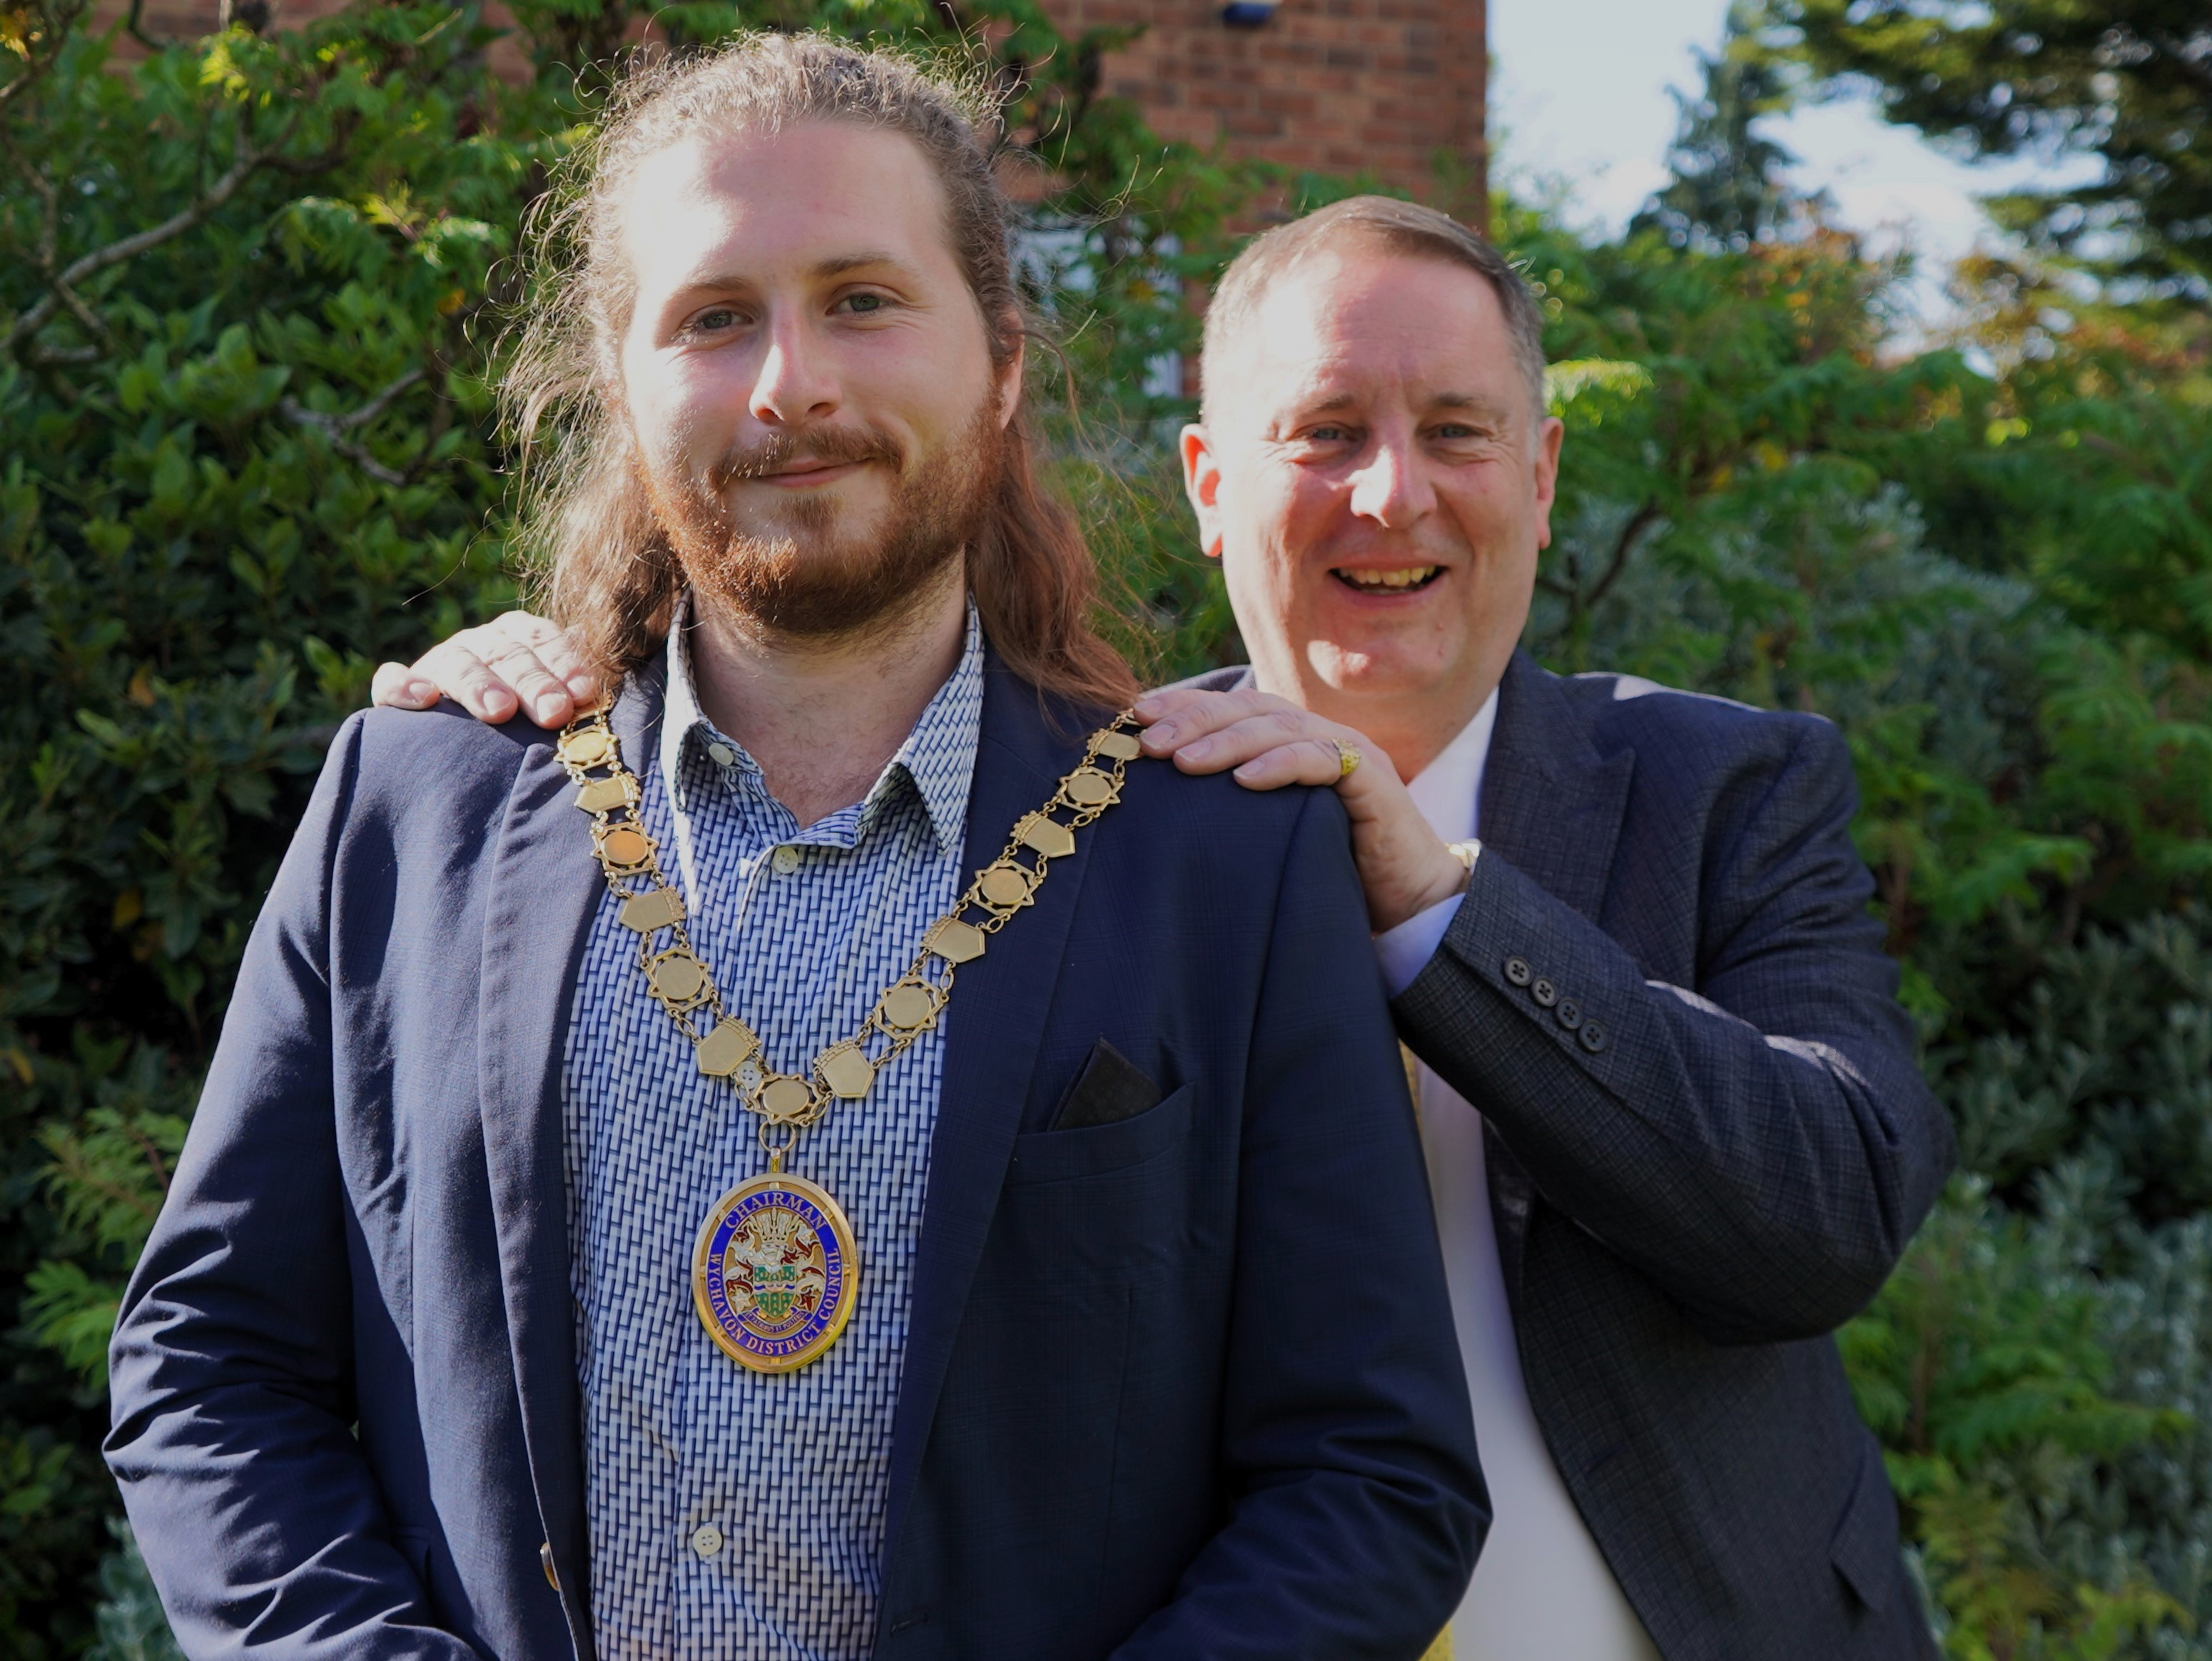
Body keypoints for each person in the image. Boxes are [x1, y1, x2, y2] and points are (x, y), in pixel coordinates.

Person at [390, 196, 1954, 1659]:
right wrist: (545, 690)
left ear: (1541, 476)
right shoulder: (1086, 819)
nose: (1390, 492)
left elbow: (1824, 1213)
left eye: (1456, 434)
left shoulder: (1728, 786)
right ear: (1211, 487)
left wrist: (1438, 907)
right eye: (1324, 433)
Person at [106, 41, 1487, 1661]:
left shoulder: (1219, 862)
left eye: (861, 300)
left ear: (1004, 364)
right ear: (622, 382)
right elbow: (209, 1364)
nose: (789, 386)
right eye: (713, 317)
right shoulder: (413, 813)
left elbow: (1373, 1474)